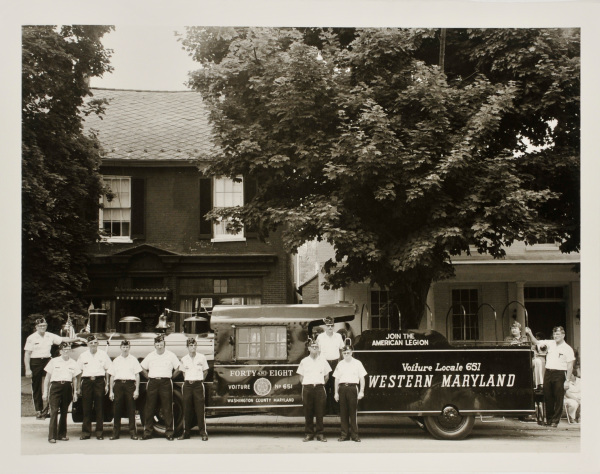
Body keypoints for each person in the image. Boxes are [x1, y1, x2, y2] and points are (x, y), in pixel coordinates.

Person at [23, 317, 85, 419]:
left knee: (54, 381)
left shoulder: (49, 336)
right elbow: (27, 354)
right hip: (36, 362)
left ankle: (49, 408)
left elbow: (63, 339)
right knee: (36, 386)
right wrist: (27, 368)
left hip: (47, 359)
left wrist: (78, 338)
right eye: (40, 326)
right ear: (36, 327)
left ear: (46, 326)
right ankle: (38, 410)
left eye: (44, 325)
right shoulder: (31, 338)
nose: (42, 327)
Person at [525, 326, 575, 427]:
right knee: (548, 397)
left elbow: (570, 366)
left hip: (560, 374)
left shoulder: (567, 349)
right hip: (548, 372)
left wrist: (567, 380)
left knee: (558, 398)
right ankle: (549, 420)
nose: (556, 336)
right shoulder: (550, 343)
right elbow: (537, 342)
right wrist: (530, 333)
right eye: (555, 334)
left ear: (563, 335)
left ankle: (555, 421)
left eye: (558, 334)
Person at [140, 334, 181, 440]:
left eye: (161, 344)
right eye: (157, 344)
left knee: (167, 408)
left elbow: (178, 368)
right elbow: (142, 367)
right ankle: (147, 432)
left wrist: (171, 377)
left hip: (166, 382)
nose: (159, 346)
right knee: (149, 408)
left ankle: (169, 432)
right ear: (154, 345)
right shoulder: (151, 355)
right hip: (153, 382)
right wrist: (148, 377)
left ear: (164, 344)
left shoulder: (170, 355)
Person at [42, 342, 81, 443]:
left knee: (64, 412)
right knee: (54, 411)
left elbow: (75, 379)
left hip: (67, 388)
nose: (66, 351)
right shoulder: (53, 361)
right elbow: (47, 378)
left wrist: (75, 392)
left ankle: (62, 434)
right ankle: (52, 436)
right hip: (55, 387)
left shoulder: (73, 363)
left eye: (68, 349)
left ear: (70, 351)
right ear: (60, 351)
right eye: (64, 350)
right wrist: (45, 392)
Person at [76, 334, 112, 440]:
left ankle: (99, 432)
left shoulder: (103, 355)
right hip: (86, 382)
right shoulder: (83, 356)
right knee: (86, 408)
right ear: (87, 344)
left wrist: (107, 384)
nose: (93, 345)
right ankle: (86, 432)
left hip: (99, 381)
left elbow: (107, 371)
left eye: (95, 343)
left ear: (98, 344)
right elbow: (79, 372)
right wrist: (78, 387)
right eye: (91, 343)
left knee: (99, 407)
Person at [296, 338, 331, 442]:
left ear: (318, 348)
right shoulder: (304, 361)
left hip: (319, 388)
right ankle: (309, 434)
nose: (314, 348)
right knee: (308, 412)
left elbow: (327, 376)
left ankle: (320, 434)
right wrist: (308, 384)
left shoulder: (323, 361)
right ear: (309, 348)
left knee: (320, 412)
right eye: (312, 347)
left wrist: (319, 383)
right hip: (307, 388)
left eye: (316, 347)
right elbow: (301, 377)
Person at [175, 337, 209, 441]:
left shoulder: (202, 357)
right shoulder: (184, 359)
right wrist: (189, 380)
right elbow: (184, 372)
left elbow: (205, 371)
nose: (193, 347)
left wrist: (200, 380)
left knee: (200, 409)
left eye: (194, 345)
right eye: (191, 345)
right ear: (187, 347)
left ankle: (203, 432)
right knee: (187, 409)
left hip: (198, 385)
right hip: (188, 385)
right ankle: (186, 432)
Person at [108, 339, 141, 440]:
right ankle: (115, 433)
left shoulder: (133, 360)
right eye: (123, 347)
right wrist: (111, 391)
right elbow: (112, 377)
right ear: (120, 348)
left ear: (129, 348)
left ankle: (133, 432)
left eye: (127, 347)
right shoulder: (116, 360)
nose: (125, 349)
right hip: (118, 385)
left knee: (131, 409)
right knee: (117, 410)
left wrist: (137, 390)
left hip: (130, 385)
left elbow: (137, 375)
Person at [334, 344, 367, 442]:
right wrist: (336, 392)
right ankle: (344, 435)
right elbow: (336, 379)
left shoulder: (357, 363)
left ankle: (355, 435)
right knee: (343, 413)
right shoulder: (340, 364)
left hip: (353, 388)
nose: (346, 355)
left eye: (348, 353)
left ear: (352, 352)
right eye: (344, 353)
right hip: (342, 388)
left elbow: (362, 378)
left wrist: (361, 391)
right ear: (342, 353)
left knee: (353, 413)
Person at [316, 317, 344, 414]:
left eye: (332, 325)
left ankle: (336, 410)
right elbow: (317, 352)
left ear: (334, 326)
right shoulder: (320, 337)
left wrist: (341, 363)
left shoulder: (338, 336)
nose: (330, 327)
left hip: (335, 362)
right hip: (324, 363)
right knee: (325, 386)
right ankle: (325, 410)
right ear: (325, 326)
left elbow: (342, 350)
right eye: (328, 326)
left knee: (335, 386)